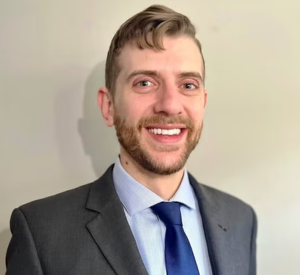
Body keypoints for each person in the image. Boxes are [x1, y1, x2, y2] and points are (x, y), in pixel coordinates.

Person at [5, 5, 257, 275]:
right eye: (145, 83)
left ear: (203, 103)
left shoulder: (240, 219)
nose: (170, 105)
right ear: (108, 106)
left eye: (188, 85)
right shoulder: (41, 233)